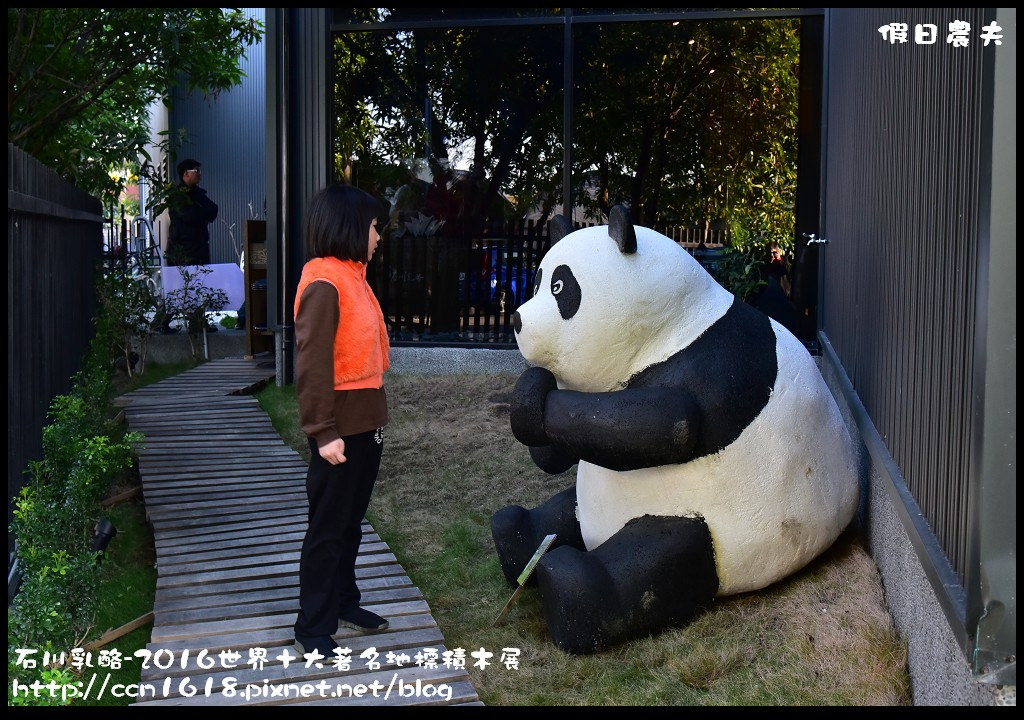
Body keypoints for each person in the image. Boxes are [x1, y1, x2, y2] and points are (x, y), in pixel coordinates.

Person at [292, 184, 391, 657]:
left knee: (351, 523)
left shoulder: (354, 277)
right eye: (375, 227)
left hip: (365, 425)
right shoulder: (324, 282)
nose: (378, 237)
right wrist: (323, 431)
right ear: (352, 227)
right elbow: (311, 364)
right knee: (328, 528)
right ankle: (312, 626)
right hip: (338, 432)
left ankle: (344, 602)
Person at [166, 158, 218, 266]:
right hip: (182, 252)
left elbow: (213, 209)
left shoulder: (199, 193)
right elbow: (189, 216)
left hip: (200, 249)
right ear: (186, 173)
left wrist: (199, 214)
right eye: (197, 171)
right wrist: (203, 216)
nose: (200, 174)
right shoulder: (176, 195)